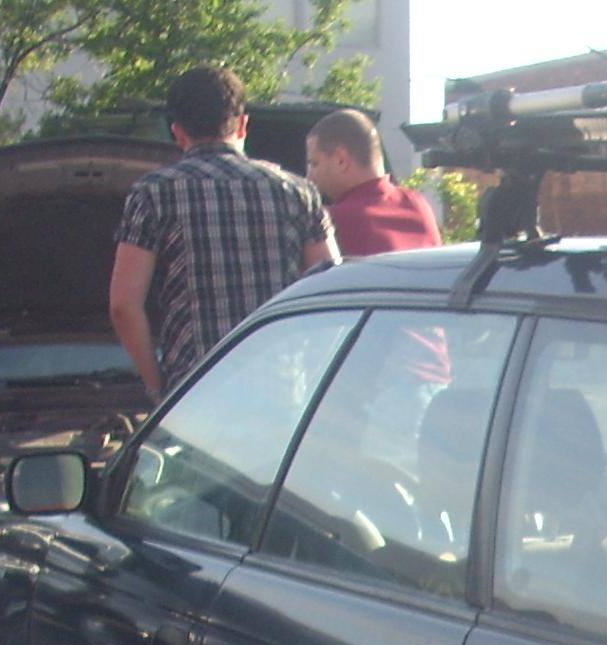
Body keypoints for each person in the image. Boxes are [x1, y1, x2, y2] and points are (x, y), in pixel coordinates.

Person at [108, 65, 335, 400]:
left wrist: (159, 388)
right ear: (243, 124)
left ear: (178, 132)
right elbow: (329, 291)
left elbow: (123, 305)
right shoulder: (298, 192)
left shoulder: (154, 194)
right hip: (282, 395)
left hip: (197, 396)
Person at [305, 109, 442, 256]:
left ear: (341, 160)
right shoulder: (417, 203)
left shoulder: (330, 220)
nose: (309, 177)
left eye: (314, 163)